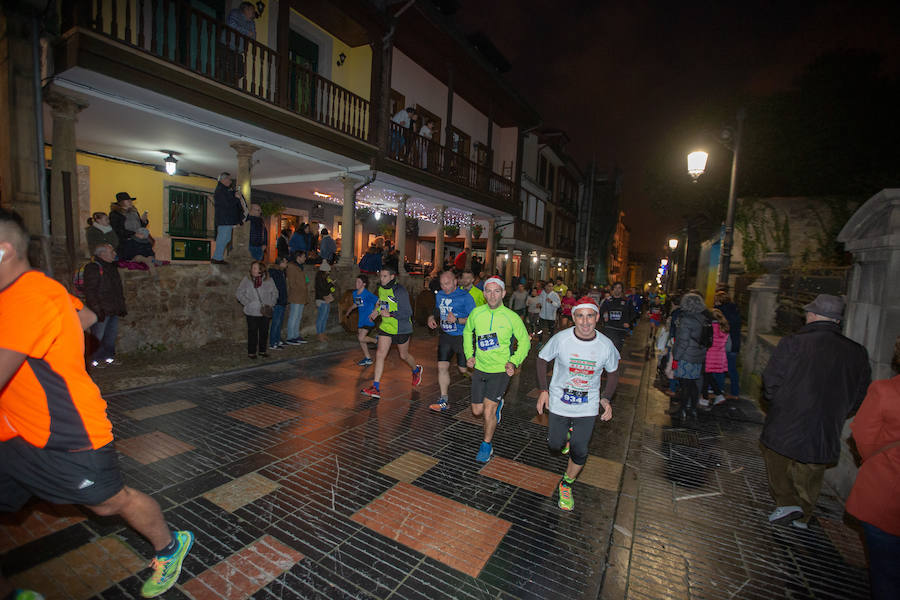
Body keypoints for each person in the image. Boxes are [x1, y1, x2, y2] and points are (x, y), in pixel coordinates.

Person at [0, 208, 193, 599]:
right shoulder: (39, 290)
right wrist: (57, 349)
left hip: (67, 433)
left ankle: (170, 547)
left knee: (109, 504)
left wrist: (55, 355)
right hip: (13, 433)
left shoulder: (27, 296)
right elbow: (86, 315)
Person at [760, 294, 870, 529]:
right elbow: (861, 393)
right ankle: (804, 515)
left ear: (812, 315)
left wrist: (778, 401)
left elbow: (771, 380)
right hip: (826, 423)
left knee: (777, 459)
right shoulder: (857, 352)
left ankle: (786, 502)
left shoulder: (793, 343)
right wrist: (839, 411)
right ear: (837, 321)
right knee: (812, 470)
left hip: (788, 417)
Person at [536, 296, 619, 510]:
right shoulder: (561, 339)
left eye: (589, 316)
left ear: (597, 317)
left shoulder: (605, 345)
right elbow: (542, 359)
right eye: (580, 316)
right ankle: (565, 437)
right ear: (573, 317)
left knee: (580, 449)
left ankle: (566, 483)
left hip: (587, 404)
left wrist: (606, 398)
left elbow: (613, 373)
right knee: (554, 445)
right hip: (560, 400)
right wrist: (544, 390)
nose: (585, 322)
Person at [846, 335, 900, 600]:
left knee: (886, 575)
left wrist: (879, 464)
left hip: (886, 497)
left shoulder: (886, 391)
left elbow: (863, 437)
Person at [463, 277, 530, 462]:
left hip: (500, 371)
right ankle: (497, 404)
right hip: (480, 369)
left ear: (503, 293)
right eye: (489, 291)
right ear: (484, 294)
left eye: (497, 291)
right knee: (477, 411)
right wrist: (470, 354)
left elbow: (524, 341)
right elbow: (468, 332)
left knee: (488, 411)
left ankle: (486, 445)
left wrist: (514, 361)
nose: (493, 295)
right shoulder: (476, 313)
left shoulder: (511, 317)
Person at [361, 266, 422, 399]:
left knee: (403, 355)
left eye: (385, 276)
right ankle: (376, 387)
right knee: (380, 354)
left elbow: (408, 313)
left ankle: (416, 370)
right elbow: (381, 302)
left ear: (392, 277)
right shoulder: (381, 288)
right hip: (386, 327)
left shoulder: (400, 291)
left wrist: (390, 314)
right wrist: (376, 311)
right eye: (381, 276)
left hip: (401, 327)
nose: (382, 279)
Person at [426, 270, 476, 412]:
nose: (444, 287)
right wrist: (431, 317)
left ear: (455, 282)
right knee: (442, 367)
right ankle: (443, 399)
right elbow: (437, 309)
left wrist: (458, 320)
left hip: (462, 337)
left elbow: (475, 319)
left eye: (447, 284)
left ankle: (475, 379)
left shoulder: (465, 297)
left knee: (463, 369)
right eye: (442, 284)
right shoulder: (440, 294)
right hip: (446, 336)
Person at [83, 244, 127, 368]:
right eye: (111, 252)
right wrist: (97, 309)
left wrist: (121, 307)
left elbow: (117, 290)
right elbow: (90, 291)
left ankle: (108, 357)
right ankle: (93, 360)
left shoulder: (112, 267)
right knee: (97, 336)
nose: (114, 254)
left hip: (112, 308)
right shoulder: (93, 268)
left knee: (110, 336)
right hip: (102, 309)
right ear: (102, 254)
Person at [667, 292, 708, 422]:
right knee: (693, 385)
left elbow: (682, 341)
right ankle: (693, 409)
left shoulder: (686, 319)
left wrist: (676, 357)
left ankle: (682, 410)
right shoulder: (702, 318)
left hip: (686, 357)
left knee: (685, 385)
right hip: (698, 357)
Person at [236, 260, 277, 359]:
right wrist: (248, 303)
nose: (252, 270)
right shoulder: (247, 280)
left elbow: (275, 293)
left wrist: (271, 304)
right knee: (252, 332)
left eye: (255, 268)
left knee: (264, 331)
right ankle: (252, 352)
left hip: (265, 311)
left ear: (261, 270)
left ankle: (262, 350)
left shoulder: (269, 280)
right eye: (252, 268)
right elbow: (239, 293)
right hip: (252, 311)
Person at [345, 274, 378, 366]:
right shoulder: (355, 293)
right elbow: (357, 303)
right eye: (356, 281)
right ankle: (368, 358)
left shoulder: (367, 294)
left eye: (359, 282)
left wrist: (374, 313)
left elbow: (378, 302)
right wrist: (349, 310)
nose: (356, 283)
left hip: (369, 319)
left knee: (361, 337)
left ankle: (376, 341)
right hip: (361, 320)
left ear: (364, 284)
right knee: (361, 339)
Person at [715, 290, 742, 399]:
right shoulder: (735, 311)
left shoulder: (721, 313)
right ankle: (735, 392)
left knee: (720, 368)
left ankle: (719, 390)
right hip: (734, 344)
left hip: (725, 344)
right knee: (732, 369)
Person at [700, 308, 729, 408]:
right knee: (708, 376)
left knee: (705, 377)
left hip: (709, 355)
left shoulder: (711, 327)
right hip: (719, 356)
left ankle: (705, 398)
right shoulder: (724, 328)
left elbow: (706, 341)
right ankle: (718, 394)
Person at [212, 172, 243, 264]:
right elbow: (227, 205)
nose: (230, 181)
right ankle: (217, 258)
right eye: (229, 179)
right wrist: (236, 198)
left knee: (226, 238)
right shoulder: (220, 191)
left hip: (226, 219)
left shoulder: (224, 190)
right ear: (223, 179)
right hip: (224, 219)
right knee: (223, 238)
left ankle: (218, 257)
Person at [599, 281, 634, 351]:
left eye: (619, 288)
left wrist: (629, 323)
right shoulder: (608, 301)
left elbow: (632, 313)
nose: (617, 289)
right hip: (610, 327)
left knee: (618, 348)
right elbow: (601, 312)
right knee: (610, 346)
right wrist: (603, 320)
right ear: (612, 289)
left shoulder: (627, 301)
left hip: (621, 329)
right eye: (615, 288)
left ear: (622, 290)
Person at [284, 250, 308, 344]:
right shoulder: (292, 267)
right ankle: (290, 336)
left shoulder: (299, 267)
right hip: (296, 295)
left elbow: (303, 280)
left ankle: (296, 335)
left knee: (298, 316)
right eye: (303, 256)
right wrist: (300, 287)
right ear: (298, 257)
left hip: (301, 295)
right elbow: (292, 283)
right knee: (294, 316)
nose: (305, 258)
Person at [267, 256, 289, 350]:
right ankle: (273, 342)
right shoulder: (275, 272)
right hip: (277, 301)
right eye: (285, 261)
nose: (287, 263)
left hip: (282, 300)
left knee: (279, 322)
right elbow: (276, 288)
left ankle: (277, 339)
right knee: (276, 322)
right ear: (281, 262)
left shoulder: (281, 272)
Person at [314, 262, 335, 342]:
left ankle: (322, 333)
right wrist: (330, 284)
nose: (329, 272)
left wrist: (330, 284)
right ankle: (319, 334)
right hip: (321, 299)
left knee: (325, 317)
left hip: (325, 299)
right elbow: (323, 289)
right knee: (321, 318)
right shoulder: (320, 278)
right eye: (328, 271)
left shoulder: (324, 278)